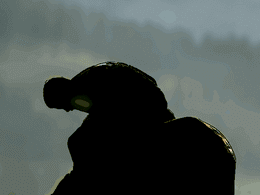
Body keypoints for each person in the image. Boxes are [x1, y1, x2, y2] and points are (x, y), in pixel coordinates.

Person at [43, 62, 174, 182]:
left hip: (145, 105)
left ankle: (83, 177)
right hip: (149, 101)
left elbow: (106, 113)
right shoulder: (83, 83)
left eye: (60, 104)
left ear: (62, 92)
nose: (66, 110)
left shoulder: (83, 89)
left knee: (77, 141)